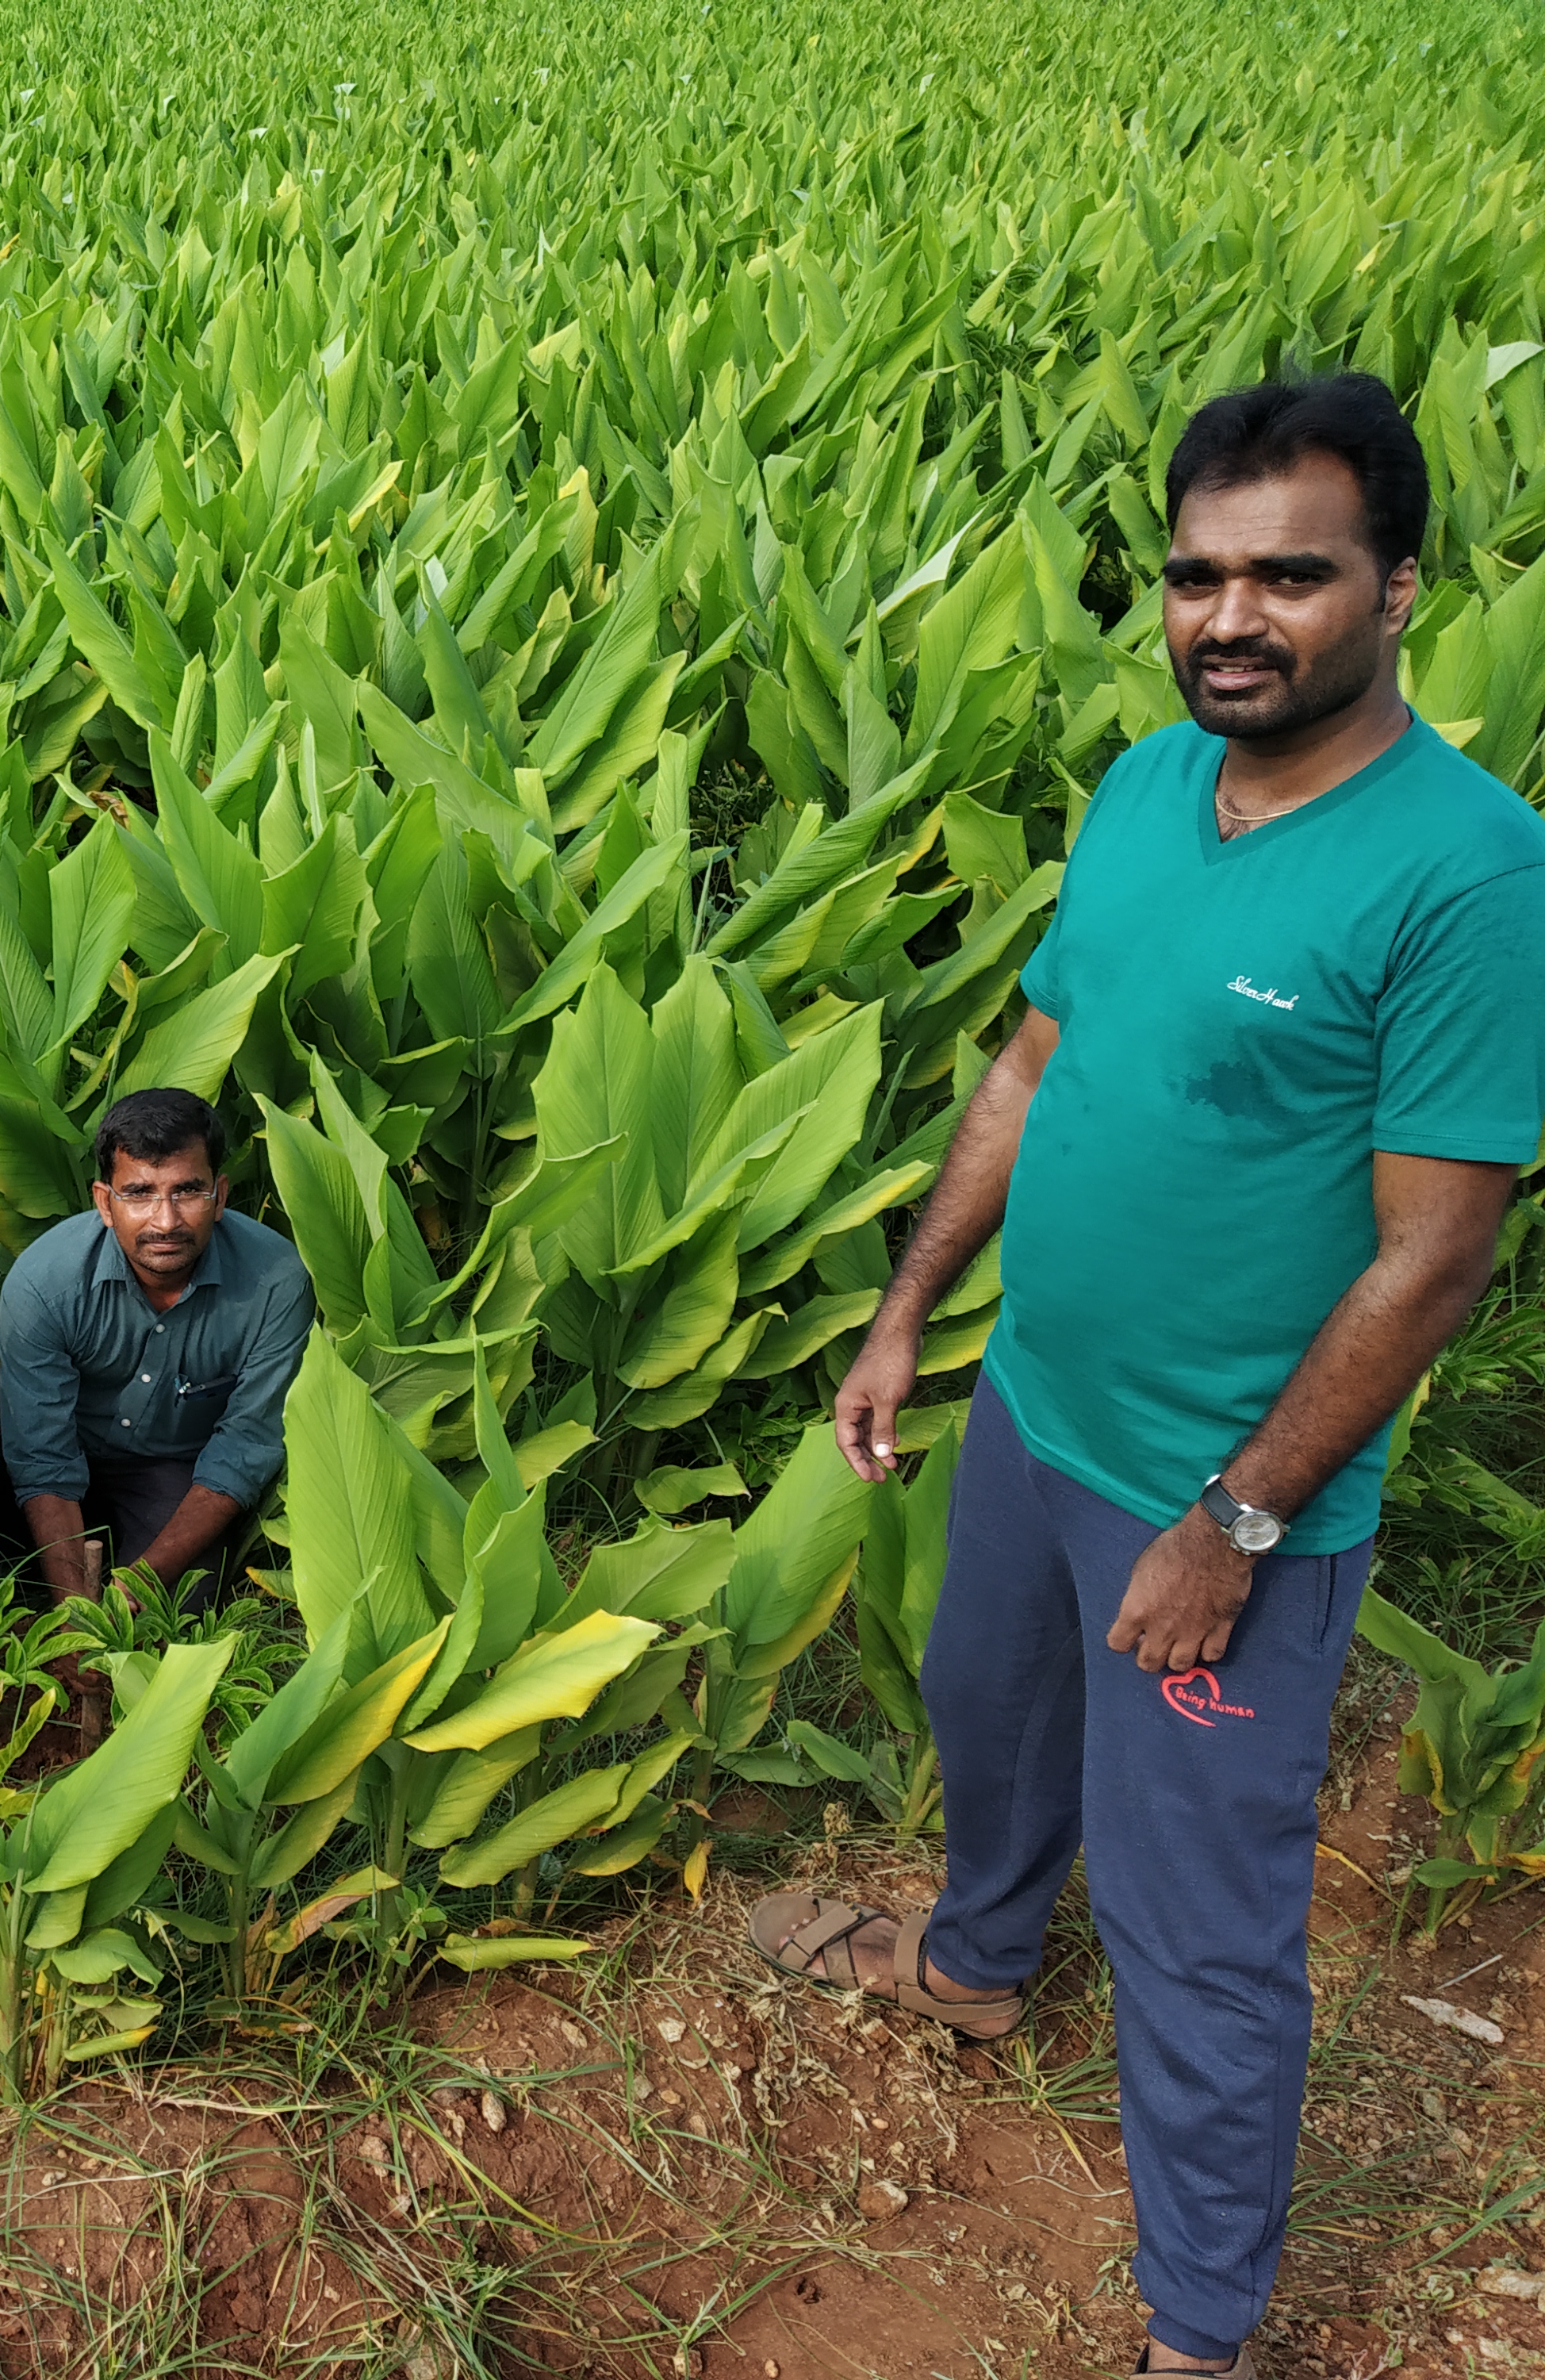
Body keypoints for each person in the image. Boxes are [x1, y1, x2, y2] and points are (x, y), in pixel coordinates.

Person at [749, 374, 1545, 2378]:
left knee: (1198, 1929)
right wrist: (913, 1301)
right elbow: (1034, 1058)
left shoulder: (1467, 876)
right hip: (1032, 1406)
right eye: (1197, 575)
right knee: (981, 1706)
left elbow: (1434, 1250)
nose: (1230, 617)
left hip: (1220, 1492)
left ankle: (1204, 2330)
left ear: (1397, 589)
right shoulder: (1137, 787)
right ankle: (974, 1963)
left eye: (1292, 573)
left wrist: (1235, 1519)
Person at [0, 1088, 318, 1719]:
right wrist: (76, 1612)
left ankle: (105, 1587)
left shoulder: (276, 1282)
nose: (166, 1220)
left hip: (175, 1462)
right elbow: (41, 1452)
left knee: (186, 1608)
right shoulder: (45, 1282)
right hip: (63, 1435)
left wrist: (133, 1593)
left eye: (187, 1190)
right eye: (140, 1193)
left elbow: (243, 1450)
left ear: (220, 1195)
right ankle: (14, 1612)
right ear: (104, 1202)